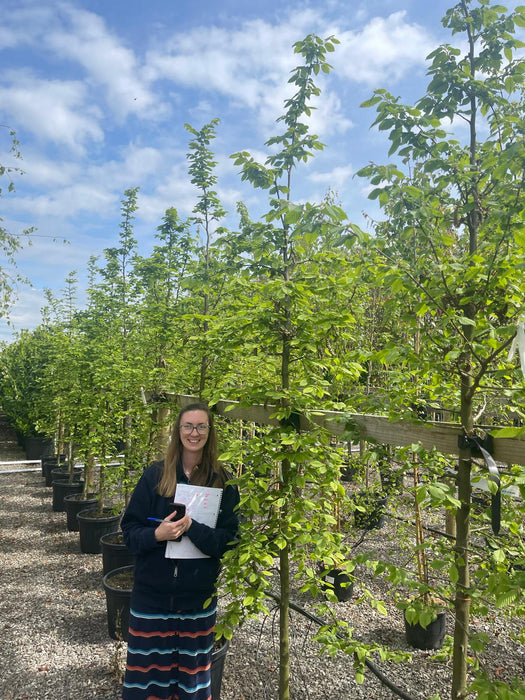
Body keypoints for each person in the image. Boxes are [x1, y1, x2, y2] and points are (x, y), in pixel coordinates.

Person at [120, 402, 240, 700]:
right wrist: (157, 535)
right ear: (178, 431)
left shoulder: (223, 481)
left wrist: (193, 529)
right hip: (151, 598)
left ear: (210, 433)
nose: (194, 432)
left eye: (201, 426)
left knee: (191, 684)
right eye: (188, 426)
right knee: (146, 683)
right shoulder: (155, 476)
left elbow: (230, 542)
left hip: (196, 599)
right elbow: (129, 532)